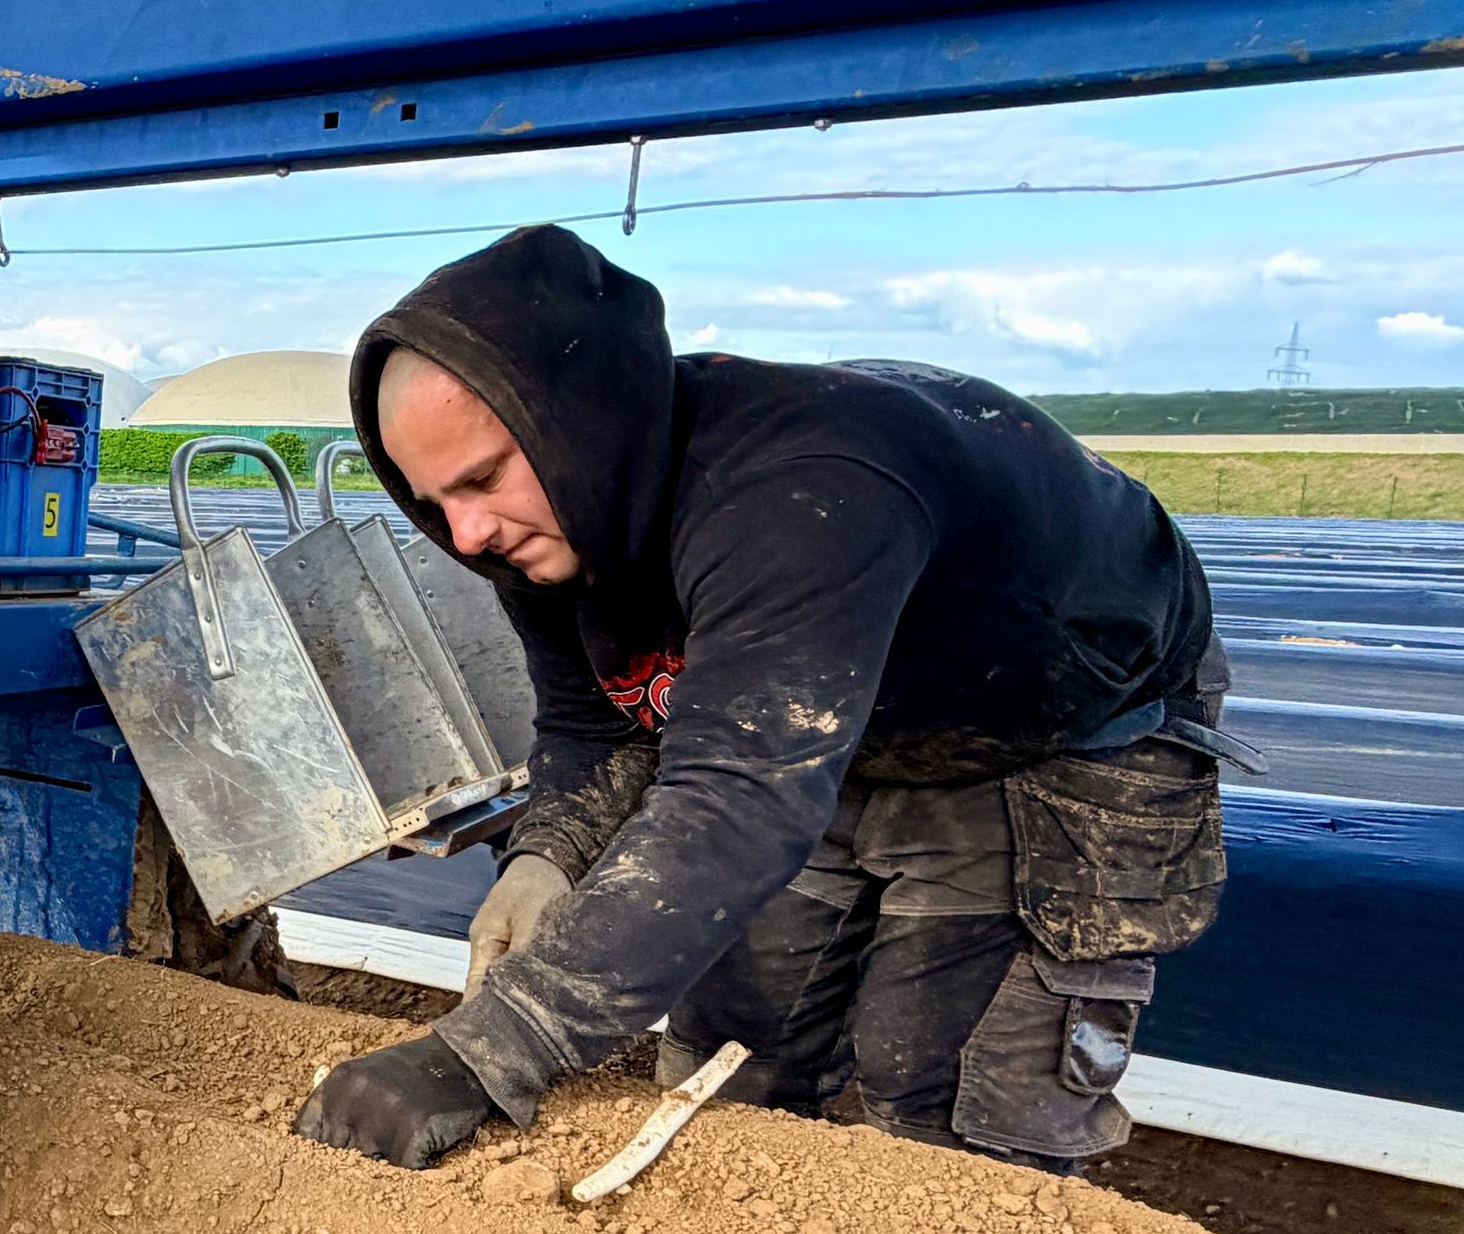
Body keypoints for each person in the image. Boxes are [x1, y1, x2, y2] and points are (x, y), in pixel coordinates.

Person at [293, 224, 1240, 1174]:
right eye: (433, 502)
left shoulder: (801, 489)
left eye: (483, 479)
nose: (465, 533)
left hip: (1048, 711)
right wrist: (548, 857)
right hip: (822, 709)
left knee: (940, 1099)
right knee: (736, 1053)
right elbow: (595, 717)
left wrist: (484, 1051)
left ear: (576, 419)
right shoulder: (538, 526)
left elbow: (740, 797)